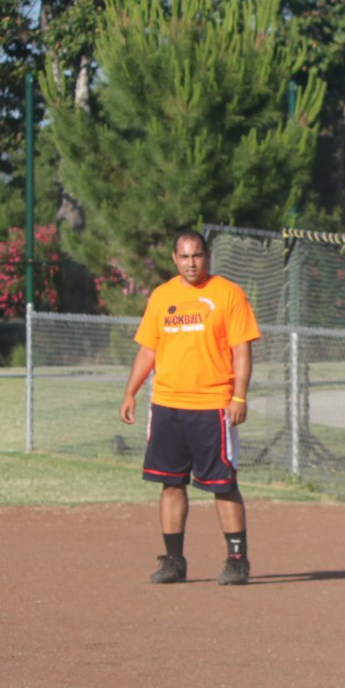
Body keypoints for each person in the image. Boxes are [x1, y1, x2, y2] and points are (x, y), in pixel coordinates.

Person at [119, 231, 261, 585]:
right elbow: (149, 349)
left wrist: (239, 396)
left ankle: (237, 560)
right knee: (170, 484)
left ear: (206, 256)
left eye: (197, 255)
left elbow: (242, 350)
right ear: (174, 259)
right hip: (167, 405)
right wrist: (131, 392)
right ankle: (173, 560)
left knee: (222, 483)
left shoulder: (228, 294)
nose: (191, 263)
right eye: (184, 257)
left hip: (212, 406)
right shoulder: (163, 296)